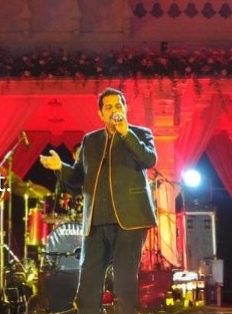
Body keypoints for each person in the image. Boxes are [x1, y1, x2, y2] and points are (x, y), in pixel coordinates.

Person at [39, 87, 157, 314]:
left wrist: (126, 133)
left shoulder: (140, 134)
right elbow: (78, 178)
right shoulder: (90, 141)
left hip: (130, 218)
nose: (114, 110)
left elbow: (149, 159)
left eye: (118, 105)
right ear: (100, 114)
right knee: (88, 283)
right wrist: (60, 167)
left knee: (124, 280)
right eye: (108, 107)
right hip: (95, 219)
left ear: (126, 109)